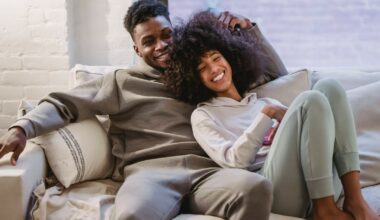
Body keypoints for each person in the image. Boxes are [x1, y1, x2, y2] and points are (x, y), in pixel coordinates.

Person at [0, 1, 288, 220]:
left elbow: (274, 75)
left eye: (167, 35)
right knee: (130, 215)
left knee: (255, 187)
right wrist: (22, 128)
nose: (161, 46)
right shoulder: (120, 81)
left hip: (209, 172)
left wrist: (250, 30)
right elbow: (65, 103)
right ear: (137, 49)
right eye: (149, 41)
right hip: (151, 175)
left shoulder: (199, 73)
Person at [164, 11, 380, 220]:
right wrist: (266, 117)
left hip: (315, 179)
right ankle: (325, 210)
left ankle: (355, 199)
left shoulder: (264, 101)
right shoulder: (204, 116)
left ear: (229, 58)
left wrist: (280, 118)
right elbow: (234, 163)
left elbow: (307, 127)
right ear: (193, 77)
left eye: (216, 58)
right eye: (202, 67)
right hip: (276, 191)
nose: (214, 68)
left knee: (330, 87)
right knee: (310, 99)